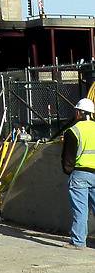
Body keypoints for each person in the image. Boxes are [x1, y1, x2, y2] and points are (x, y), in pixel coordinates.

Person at [62, 97, 95, 249]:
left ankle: (79, 242)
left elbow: (68, 158)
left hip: (80, 174)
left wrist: (68, 171)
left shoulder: (73, 131)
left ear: (78, 113)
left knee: (80, 210)